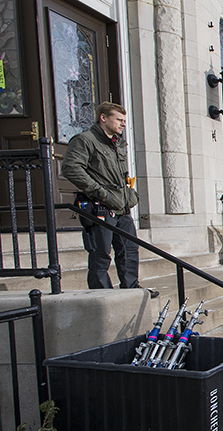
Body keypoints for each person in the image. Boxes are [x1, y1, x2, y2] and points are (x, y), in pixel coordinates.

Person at [62, 101, 151, 295]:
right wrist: (101, 193)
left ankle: (131, 289)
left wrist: (128, 195)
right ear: (103, 118)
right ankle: (101, 294)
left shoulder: (117, 143)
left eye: (124, 120)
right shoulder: (85, 140)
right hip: (99, 206)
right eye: (118, 119)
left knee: (129, 250)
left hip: (121, 206)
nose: (123, 124)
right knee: (100, 254)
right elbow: (71, 168)